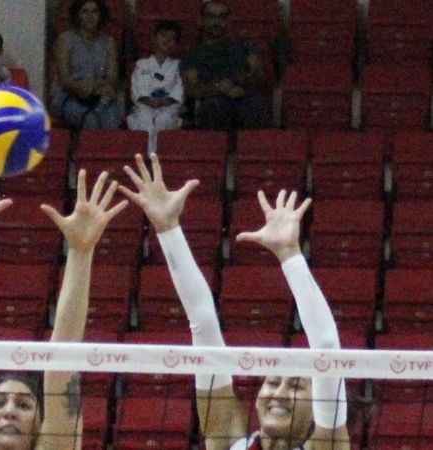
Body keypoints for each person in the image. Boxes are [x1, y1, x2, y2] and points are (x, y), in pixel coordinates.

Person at [120, 153, 349, 450]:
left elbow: (327, 347)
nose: (279, 393)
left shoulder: (327, 445)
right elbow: (203, 323)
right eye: (272, 382)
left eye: (296, 386)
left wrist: (290, 255)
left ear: (320, 404)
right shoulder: (228, 438)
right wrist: (168, 229)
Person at [0, 164, 128, 450]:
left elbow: (64, 355)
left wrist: (81, 252)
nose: (9, 411)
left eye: (24, 405)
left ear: (41, 426)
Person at [181, 0, 271, 130]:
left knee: (258, 109)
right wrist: (218, 89)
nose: (217, 22)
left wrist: (237, 81)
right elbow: (191, 89)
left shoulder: (243, 47)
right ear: (201, 20)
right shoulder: (192, 55)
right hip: (214, 103)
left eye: (222, 17)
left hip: (243, 98)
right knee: (211, 111)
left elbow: (259, 75)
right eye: (211, 16)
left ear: (227, 20)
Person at [51, 0, 123, 130]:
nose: (90, 16)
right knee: (91, 122)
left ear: (101, 15)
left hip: (100, 95)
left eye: (94, 11)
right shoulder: (65, 40)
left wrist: (96, 88)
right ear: (77, 15)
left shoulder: (108, 42)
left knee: (112, 120)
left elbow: (112, 77)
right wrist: (82, 88)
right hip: (70, 97)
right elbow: (65, 79)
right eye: (84, 11)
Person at [127, 20, 184, 155]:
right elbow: (137, 88)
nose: (167, 40)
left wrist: (165, 101)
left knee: (164, 120)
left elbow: (179, 90)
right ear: (154, 38)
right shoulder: (142, 64)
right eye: (163, 35)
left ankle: (159, 160)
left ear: (176, 44)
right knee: (145, 119)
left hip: (169, 106)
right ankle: (146, 159)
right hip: (145, 105)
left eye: (172, 38)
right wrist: (148, 100)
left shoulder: (178, 65)